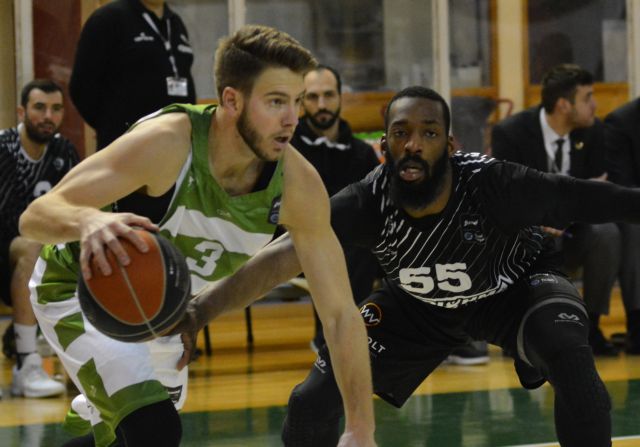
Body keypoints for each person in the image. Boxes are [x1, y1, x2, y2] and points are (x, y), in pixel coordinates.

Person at [174, 86, 639, 446]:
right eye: (401, 133)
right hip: (417, 306)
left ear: (450, 145)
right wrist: (200, 310)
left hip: (515, 290)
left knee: (576, 370)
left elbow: (589, 197)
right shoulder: (367, 200)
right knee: (312, 400)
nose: (414, 144)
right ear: (385, 146)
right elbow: (279, 258)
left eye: (429, 133)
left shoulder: (494, 182)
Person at [19, 25, 375, 447]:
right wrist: (86, 221)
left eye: (297, 101)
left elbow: (340, 315)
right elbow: (36, 217)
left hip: (162, 310)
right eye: (276, 101)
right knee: (154, 428)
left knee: (125, 436)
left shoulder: (298, 185)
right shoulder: (166, 144)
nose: (292, 119)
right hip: (80, 290)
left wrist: (360, 428)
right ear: (232, 100)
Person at [492, 63, 620, 356]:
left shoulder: (594, 131)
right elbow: (505, 196)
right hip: (529, 231)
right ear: (564, 105)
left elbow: (599, 193)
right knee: (524, 237)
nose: (594, 105)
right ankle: (523, 329)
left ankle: (591, 326)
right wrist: (541, 214)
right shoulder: (511, 133)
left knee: (607, 233)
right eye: (587, 98)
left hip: (575, 228)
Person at [291, 64, 380, 350]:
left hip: (351, 247)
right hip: (297, 243)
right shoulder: (288, 150)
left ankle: (434, 336)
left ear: (341, 97)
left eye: (328, 95)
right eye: (312, 97)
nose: (321, 105)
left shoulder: (362, 153)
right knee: (338, 247)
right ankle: (334, 339)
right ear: (301, 101)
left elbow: (376, 205)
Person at [0, 79, 78, 398]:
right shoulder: (4, 149)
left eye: (56, 109)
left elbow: (76, 207)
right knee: (33, 248)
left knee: (85, 248)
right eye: (40, 108)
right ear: (22, 112)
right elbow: (9, 222)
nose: (48, 116)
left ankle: (76, 359)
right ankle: (27, 363)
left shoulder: (64, 151)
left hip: (45, 247)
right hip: (7, 248)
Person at [69, 0, 196, 151]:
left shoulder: (175, 22)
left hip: (176, 145)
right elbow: (81, 86)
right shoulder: (108, 18)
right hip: (126, 147)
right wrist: (113, 126)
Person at [604, 98, 640, 354]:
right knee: (635, 226)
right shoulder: (622, 122)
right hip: (633, 208)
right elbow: (622, 186)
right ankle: (638, 325)